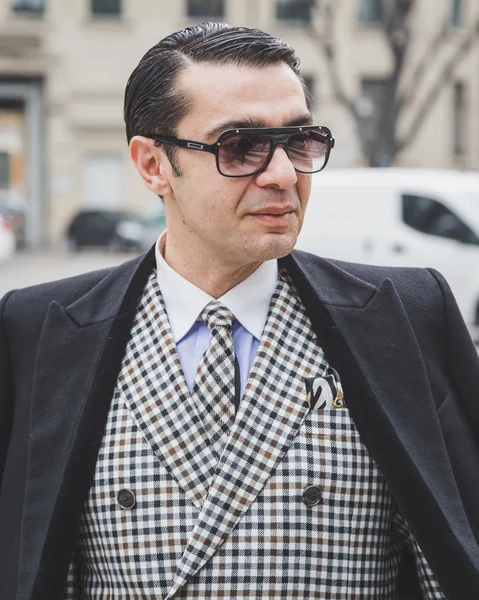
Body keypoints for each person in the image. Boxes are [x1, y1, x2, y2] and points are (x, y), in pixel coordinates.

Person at [1, 22, 478, 600]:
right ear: (153, 165)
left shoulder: (406, 315)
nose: (282, 175)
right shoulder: (40, 329)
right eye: (240, 145)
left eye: (299, 141)